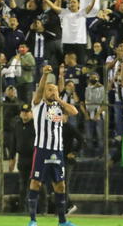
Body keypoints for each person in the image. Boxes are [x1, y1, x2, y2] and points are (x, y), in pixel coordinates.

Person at [27, 65, 79, 226]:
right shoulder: (37, 105)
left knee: (60, 185)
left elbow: (74, 111)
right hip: (42, 149)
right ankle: (33, 220)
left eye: (54, 90)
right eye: (49, 90)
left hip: (58, 151)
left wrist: (59, 99)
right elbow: (40, 89)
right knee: (36, 182)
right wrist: (44, 75)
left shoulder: (57, 107)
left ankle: (63, 221)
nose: (52, 92)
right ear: (44, 92)